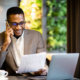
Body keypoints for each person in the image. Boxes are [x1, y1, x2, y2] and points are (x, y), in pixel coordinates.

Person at [0, 7, 47, 76]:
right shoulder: (1, 38)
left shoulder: (36, 35)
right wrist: (6, 44)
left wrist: (43, 70)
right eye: (14, 24)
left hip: (32, 77)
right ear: (7, 23)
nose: (18, 27)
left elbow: (42, 63)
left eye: (21, 23)